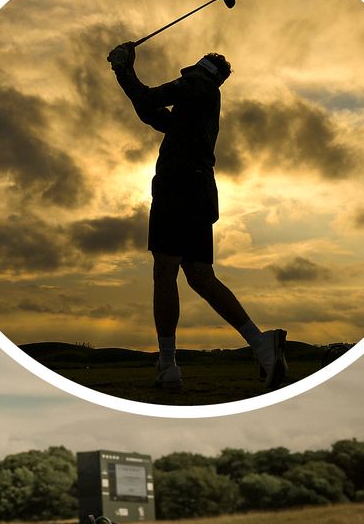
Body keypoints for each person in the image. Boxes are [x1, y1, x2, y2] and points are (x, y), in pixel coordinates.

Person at [107, 42, 285, 393]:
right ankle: (262, 345)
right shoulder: (201, 102)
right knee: (200, 276)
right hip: (202, 189)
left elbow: (148, 100)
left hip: (178, 186)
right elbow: (153, 115)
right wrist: (124, 74)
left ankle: (168, 364)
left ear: (201, 69)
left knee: (165, 270)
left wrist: (124, 69)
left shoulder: (197, 86)